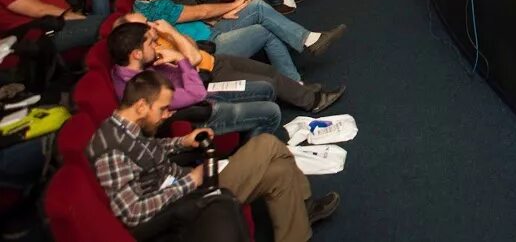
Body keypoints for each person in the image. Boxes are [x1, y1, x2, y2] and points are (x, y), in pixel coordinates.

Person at [86, 70, 339, 241]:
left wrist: (182, 142)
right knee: (266, 144)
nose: (168, 115)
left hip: (186, 186)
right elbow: (131, 213)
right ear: (141, 105)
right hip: (188, 204)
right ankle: (306, 205)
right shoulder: (110, 149)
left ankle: (298, 228)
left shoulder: (126, 127)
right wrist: (193, 180)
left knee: (279, 173)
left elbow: (149, 153)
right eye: (163, 109)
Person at [128, 0, 345, 84]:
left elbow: (194, 17)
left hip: (210, 30)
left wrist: (220, 16)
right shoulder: (151, 8)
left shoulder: (155, 3)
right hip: (206, 46)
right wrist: (232, 4)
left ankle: (307, 43)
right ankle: (295, 78)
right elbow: (199, 10)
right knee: (262, 27)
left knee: (256, 5)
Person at [115, 11, 345, 114]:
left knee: (270, 71)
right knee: (266, 82)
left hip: (215, 61)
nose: (150, 26)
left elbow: (194, 48)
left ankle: (305, 93)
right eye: (144, 25)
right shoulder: (149, 57)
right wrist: (171, 34)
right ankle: (311, 101)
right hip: (209, 80)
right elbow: (193, 59)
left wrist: (169, 33)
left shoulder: (156, 39)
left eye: (146, 22)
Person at [108, 22, 281, 138]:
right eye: (151, 44)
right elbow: (196, 93)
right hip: (198, 112)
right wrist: (179, 59)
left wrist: (183, 66)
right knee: (272, 112)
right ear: (137, 53)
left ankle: (247, 127)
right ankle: (249, 156)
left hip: (200, 92)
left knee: (266, 88)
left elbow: (191, 73)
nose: (156, 46)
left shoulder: (134, 65)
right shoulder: (143, 87)